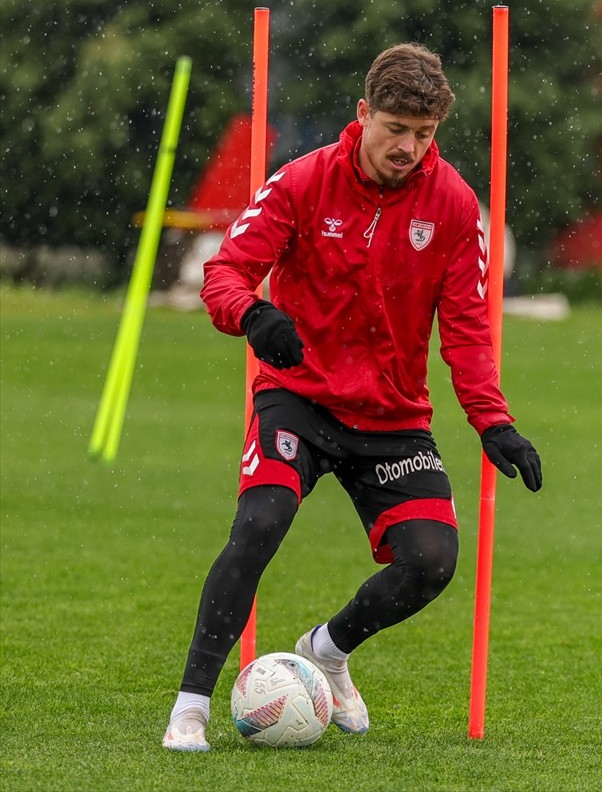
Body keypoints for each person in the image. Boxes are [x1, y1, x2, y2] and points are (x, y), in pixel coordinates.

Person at [162, 43, 543, 752]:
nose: (408, 147)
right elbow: (224, 274)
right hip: (299, 398)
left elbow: (465, 329)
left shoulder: (456, 206)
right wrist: (254, 315)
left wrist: (494, 423)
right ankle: (190, 706)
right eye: (395, 128)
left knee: (432, 560)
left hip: (393, 417)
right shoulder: (302, 182)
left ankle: (329, 650)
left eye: (423, 134)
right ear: (363, 113)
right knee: (261, 522)